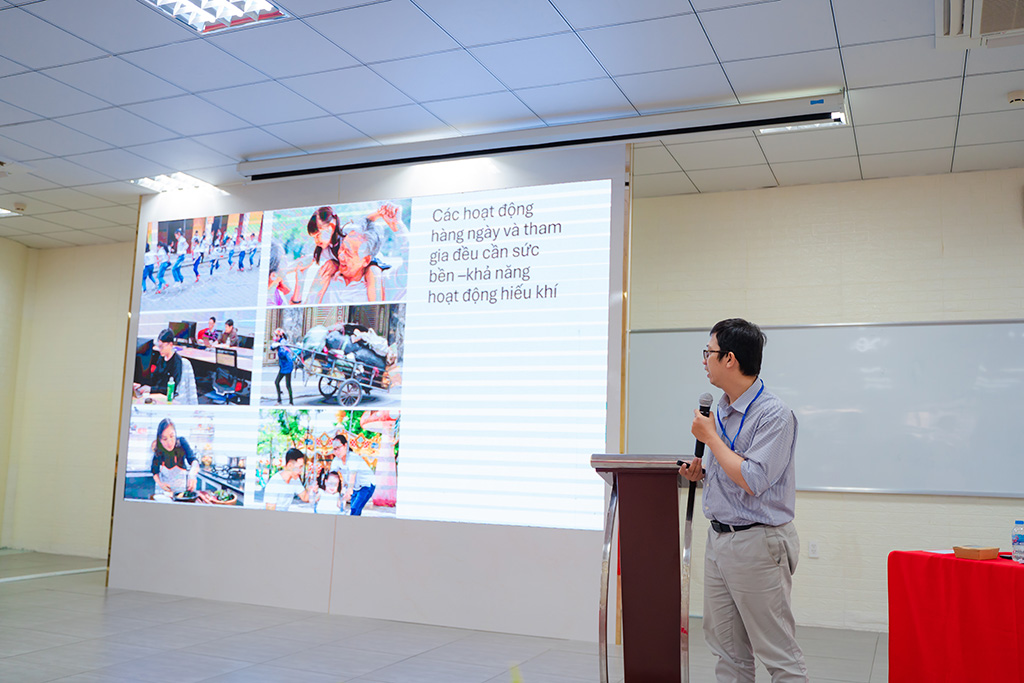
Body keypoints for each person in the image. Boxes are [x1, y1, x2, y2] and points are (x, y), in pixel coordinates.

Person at [679, 318, 807, 683]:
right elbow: (731, 467)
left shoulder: (774, 414)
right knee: (727, 652)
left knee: (778, 654)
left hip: (758, 542)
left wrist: (711, 438)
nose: (704, 360)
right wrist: (702, 472)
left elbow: (754, 479)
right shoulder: (720, 408)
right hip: (719, 539)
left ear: (730, 359)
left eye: (709, 352)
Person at [329, 433, 376, 516]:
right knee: (353, 509)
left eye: (338, 448)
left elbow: (352, 476)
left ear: (345, 446)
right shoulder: (336, 460)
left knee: (355, 508)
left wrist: (347, 493)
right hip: (355, 487)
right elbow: (332, 476)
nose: (336, 451)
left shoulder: (353, 458)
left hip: (367, 485)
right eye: (334, 449)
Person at [150, 418, 198, 497]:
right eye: (165, 439)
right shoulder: (158, 449)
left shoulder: (181, 443)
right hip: (164, 493)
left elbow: (194, 461)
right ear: (160, 439)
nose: (169, 443)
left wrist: (192, 474)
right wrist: (161, 484)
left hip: (181, 493)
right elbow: (154, 471)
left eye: (172, 436)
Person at [134, 328, 182, 398]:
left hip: (165, 396)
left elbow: (171, 388)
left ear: (170, 345)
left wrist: (151, 389)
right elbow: (154, 378)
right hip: (156, 393)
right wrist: (141, 385)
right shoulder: (161, 358)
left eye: (162, 347)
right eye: (159, 347)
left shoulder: (176, 361)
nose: (160, 350)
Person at [270, 328, 294, 405]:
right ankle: (279, 399)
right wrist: (274, 346)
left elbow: (283, 354)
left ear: (280, 336)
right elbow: (272, 348)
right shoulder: (279, 342)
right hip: (283, 366)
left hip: (287, 366)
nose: (275, 337)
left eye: (276, 335)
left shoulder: (283, 343)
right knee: (277, 382)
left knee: (287, 385)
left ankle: (291, 402)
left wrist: (279, 347)